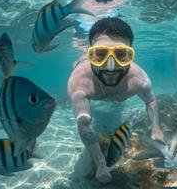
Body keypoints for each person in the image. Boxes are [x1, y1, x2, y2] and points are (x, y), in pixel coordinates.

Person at [67, 17, 164, 183]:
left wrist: (156, 128)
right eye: (99, 55)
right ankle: (83, 57)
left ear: (131, 54)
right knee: (78, 62)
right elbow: (84, 124)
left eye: (121, 55)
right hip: (82, 66)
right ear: (91, 52)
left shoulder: (139, 80)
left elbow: (151, 101)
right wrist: (100, 163)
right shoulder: (79, 81)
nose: (110, 66)